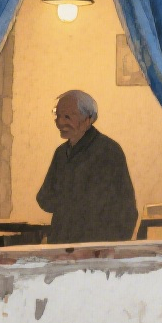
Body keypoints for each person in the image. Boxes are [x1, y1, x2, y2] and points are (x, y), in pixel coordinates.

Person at [36, 90, 138, 244]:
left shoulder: (108, 151)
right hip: (61, 245)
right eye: (57, 116)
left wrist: (108, 250)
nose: (60, 122)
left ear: (87, 120)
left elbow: (126, 210)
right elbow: (44, 198)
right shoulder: (61, 153)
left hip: (96, 249)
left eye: (67, 117)